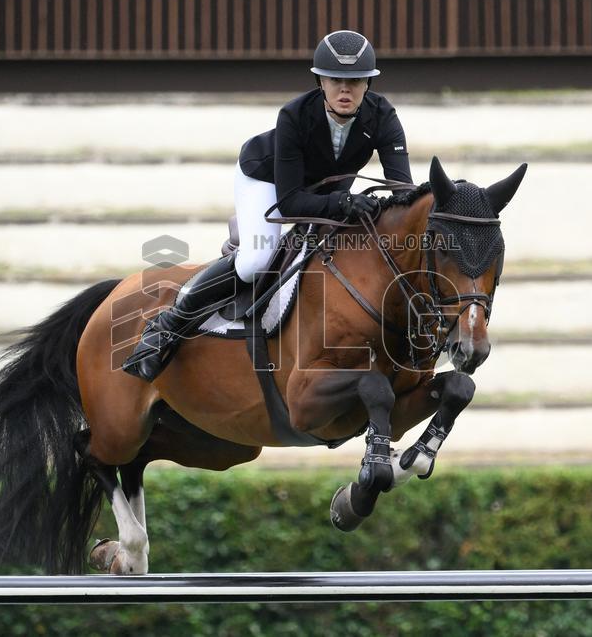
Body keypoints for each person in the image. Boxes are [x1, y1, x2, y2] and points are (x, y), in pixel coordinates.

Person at [123, 29, 414, 382]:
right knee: (256, 261)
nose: (345, 90)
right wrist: (342, 202)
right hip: (267, 179)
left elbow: (402, 191)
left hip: (329, 191)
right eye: (335, 79)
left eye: (355, 81)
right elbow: (290, 203)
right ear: (319, 80)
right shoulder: (293, 116)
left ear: (368, 84)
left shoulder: (383, 116)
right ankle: (166, 327)